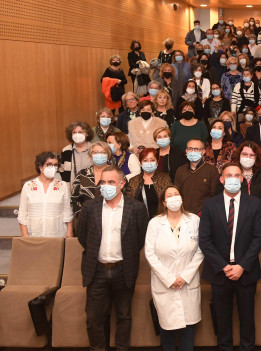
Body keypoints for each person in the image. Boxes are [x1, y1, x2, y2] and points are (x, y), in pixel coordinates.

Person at [77, 166, 148, 351]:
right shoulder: (90, 207)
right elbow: (83, 237)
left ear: (122, 184)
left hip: (124, 269)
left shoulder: (137, 208)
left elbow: (140, 240)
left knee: (124, 316)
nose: (106, 186)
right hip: (96, 270)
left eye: (111, 182)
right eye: (103, 182)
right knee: (94, 319)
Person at [198, 162, 261, 351]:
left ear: (242, 179)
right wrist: (223, 266)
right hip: (220, 273)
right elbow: (204, 240)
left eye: (237, 175)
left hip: (246, 271)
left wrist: (242, 266)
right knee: (222, 321)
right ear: (221, 179)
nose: (233, 179)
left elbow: (258, 238)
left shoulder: (254, 203)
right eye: (229, 175)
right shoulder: (210, 205)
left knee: (247, 319)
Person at [144, 185, 204, 351]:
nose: (173, 198)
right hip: (164, 284)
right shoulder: (155, 223)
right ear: (164, 202)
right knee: (167, 329)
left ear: (182, 198)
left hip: (188, 282)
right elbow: (150, 253)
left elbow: (201, 251)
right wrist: (169, 279)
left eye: (176, 194)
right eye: (169, 195)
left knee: (188, 329)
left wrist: (185, 277)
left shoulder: (194, 221)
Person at [18, 152, 73, 238]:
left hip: (57, 234)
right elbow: (22, 213)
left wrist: (69, 233)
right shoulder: (28, 186)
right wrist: (24, 234)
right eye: (49, 164)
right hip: (34, 234)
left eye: (55, 165)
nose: (53, 168)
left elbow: (68, 212)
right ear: (40, 166)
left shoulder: (63, 185)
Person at [123, 148, 173, 218]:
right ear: (140, 163)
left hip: (161, 220)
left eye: (152, 160)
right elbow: (128, 203)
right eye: (145, 160)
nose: (149, 163)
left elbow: (170, 200)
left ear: (157, 162)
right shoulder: (133, 181)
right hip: (139, 221)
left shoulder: (165, 178)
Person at [174, 139, 220, 214]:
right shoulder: (180, 170)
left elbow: (215, 196)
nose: (193, 151)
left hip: (204, 214)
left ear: (203, 151)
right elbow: (176, 194)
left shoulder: (212, 170)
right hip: (184, 214)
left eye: (197, 149)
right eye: (190, 149)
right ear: (186, 151)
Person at [71, 142, 112, 222]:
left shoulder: (116, 174)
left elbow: (124, 197)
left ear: (108, 156)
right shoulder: (82, 174)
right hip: (85, 220)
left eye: (103, 152)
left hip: (111, 220)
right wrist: (82, 217)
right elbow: (74, 199)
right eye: (96, 152)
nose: (99, 155)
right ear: (91, 155)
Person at [61, 121, 94, 186]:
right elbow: (62, 171)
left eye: (80, 132)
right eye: (74, 132)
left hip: (91, 189)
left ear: (86, 134)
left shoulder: (94, 149)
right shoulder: (66, 150)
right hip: (72, 189)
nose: (77, 134)